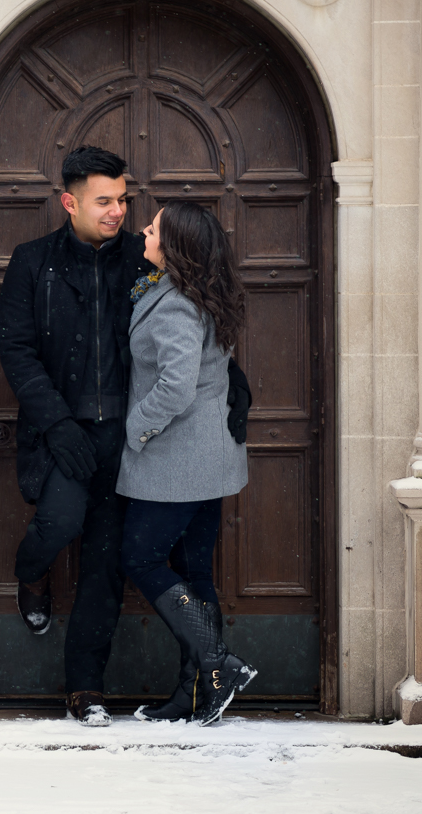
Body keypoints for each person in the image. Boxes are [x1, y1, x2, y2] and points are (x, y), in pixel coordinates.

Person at [0, 146, 151, 727]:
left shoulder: (142, 257)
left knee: (105, 562)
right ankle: (30, 572)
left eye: (122, 200)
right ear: (70, 202)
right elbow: (16, 347)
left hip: (130, 437)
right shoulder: (32, 261)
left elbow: (187, 321)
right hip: (61, 429)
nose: (118, 211)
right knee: (58, 524)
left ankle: (85, 687)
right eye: (104, 200)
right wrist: (58, 423)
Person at [118, 201, 256, 727]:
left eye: (152, 229)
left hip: (176, 462)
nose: (143, 233)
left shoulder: (177, 304)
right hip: (207, 459)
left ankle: (218, 663)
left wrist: (135, 429)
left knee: (141, 558)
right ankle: (200, 691)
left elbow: (174, 387)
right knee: (195, 572)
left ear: (174, 248)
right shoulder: (198, 293)